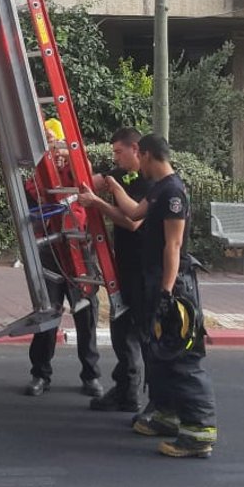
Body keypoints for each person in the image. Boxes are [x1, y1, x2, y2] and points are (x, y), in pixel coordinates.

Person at [81, 134, 216, 459]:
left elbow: (173, 246)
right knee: (155, 351)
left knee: (180, 357)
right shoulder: (157, 189)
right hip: (153, 281)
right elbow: (134, 213)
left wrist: (167, 294)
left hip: (173, 284)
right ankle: (165, 414)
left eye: (136, 154)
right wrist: (105, 192)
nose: (133, 161)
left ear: (147, 154)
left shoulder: (172, 192)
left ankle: (199, 431)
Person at [24, 119, 102, 399]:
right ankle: (40, 373)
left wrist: (68, 155)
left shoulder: (75, 165)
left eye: (54, 140)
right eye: (47, 141)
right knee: (48, 312)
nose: (52, 148)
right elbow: (31, 198)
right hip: (50, 249)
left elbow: (86, 177)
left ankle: (91, 375)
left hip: (78, 247)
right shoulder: (38, 172)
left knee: (86, 312)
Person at [83, 127, 148, 414]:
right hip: (123, 264)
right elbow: (85, 183)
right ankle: (124, 390)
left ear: (136, 149)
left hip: (142, 266)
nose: (116, 158)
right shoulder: (120, 174)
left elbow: (133, 221)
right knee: (121, 328)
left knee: (132, 330)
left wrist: (98, 205)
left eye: (119, 152)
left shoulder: (150, 181)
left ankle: (132, 393)